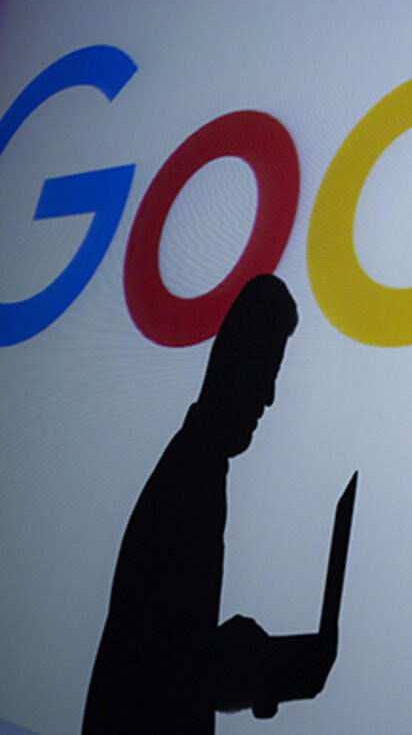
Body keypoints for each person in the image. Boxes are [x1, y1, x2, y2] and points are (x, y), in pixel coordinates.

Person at [83, 275, 298, 733]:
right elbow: (155, 679)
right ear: (230, 362)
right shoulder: (193, 479)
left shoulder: (194, 468)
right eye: (266, 371)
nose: (269, 396)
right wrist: (242, 664)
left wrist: (240, 664)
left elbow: (164, 664)